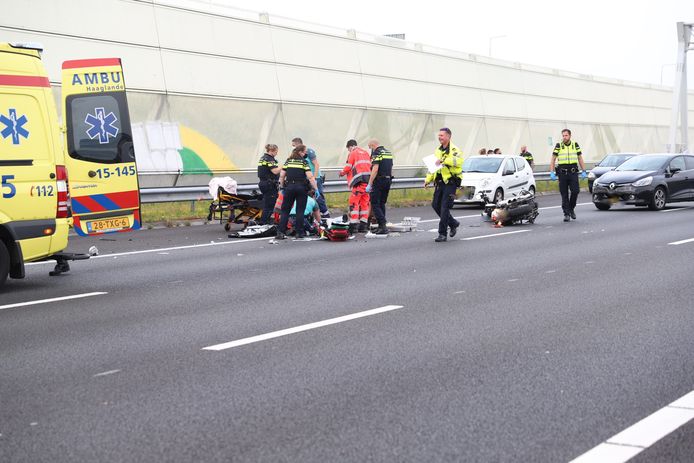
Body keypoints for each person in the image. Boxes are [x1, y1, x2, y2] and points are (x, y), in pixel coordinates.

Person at [424, 128, 463, 242]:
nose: (439, 137)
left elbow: (458, 162)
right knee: (435, 205)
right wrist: (428, 179)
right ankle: (453, 223)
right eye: (439, 135)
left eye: (441, 135)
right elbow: (433, 167)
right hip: (440, 182)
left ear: (448, 137)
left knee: (444, 207)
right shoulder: (438, 150)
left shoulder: (455, 149)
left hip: (451, 182)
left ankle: (442, 234)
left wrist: (444, 161)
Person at [276, 144, 319, 240]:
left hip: (289, 187)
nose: (306, 153)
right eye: (304, 152)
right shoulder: (303, 162)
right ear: (300, 152)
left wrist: (282, 187)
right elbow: (310, 177)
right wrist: (316, 189)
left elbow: (282, 176)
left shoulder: (288, 161)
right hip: (301, 188)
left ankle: (280, 232)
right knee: (300, 210)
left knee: (285, 210)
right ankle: (299, 232)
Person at [549, 129, 587, 222]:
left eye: (566, 135)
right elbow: (553, 159)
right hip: (562, 173)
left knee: (575, 191)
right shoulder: (559, 145)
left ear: (570, 136)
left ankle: (571, 208)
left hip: (573, 172)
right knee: (564, 194)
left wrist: (584, 170)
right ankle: (566, 214)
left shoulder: (575, 145)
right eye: (563, 135)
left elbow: (580, 158)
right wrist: (552, 172)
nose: (564, 137)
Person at [291, 137, 330, 218]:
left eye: (293, 145)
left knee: (318, 195)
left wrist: (315, 178)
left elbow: (316, 164)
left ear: (298, 144)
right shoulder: (297, 154)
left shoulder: (309, 151)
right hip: (306, 178)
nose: (293, 147)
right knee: (307, 196)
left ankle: (326, 214)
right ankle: (311, 214)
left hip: (315, 177)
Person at [339, 140, 372, 233]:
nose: (349, 151)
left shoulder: (353, 153)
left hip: (359, 181)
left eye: (348, 149)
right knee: (364, 203)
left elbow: (348, 166)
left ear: (350, 147)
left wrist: (342, 173)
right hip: (368, 182)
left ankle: (353, 225)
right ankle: (363, 225)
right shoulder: (366, 152)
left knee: (354, 202)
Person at [366, 139, 394, 235]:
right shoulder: (388, 152)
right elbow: (391, 168)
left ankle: (383, 225)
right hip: (388, 180)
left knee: (375, 203)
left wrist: (370, 183)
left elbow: (375, 169)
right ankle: (382, 226)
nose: (370, 149)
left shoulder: (377, 153)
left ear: (373, 145)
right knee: (382, 203)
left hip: (379, 180)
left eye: (370, 147)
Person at [257, 143, 280, 224]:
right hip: (269, 184)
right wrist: (284, 166)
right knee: (269, 205)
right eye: (276, 151)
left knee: (267, 204)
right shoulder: (270, 159)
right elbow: (275, 171)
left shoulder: (263, 158)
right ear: (272, 151)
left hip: (263, 183)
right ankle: (263, 223)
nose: (277, 153)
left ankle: (264, 222)